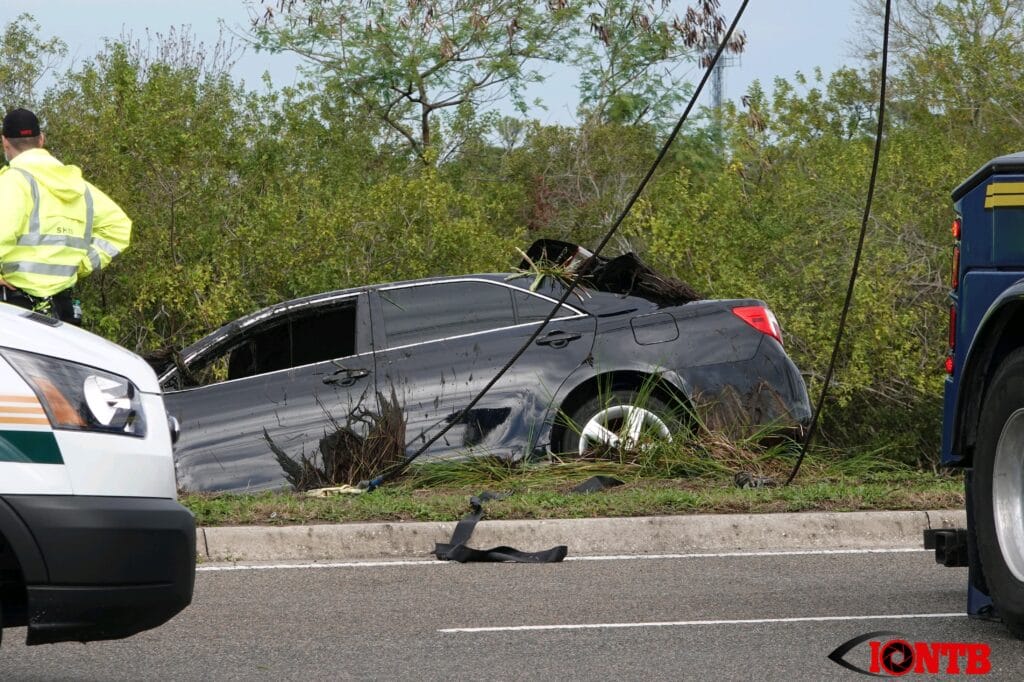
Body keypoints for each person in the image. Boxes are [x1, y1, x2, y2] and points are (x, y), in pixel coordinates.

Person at [0, 108, 131, 324]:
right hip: (63, 312)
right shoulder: (79, 186)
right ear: (41, 139)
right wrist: (82, 263)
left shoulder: (12, 182)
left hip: (16, 313)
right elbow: (119, 226)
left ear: (5, 142)